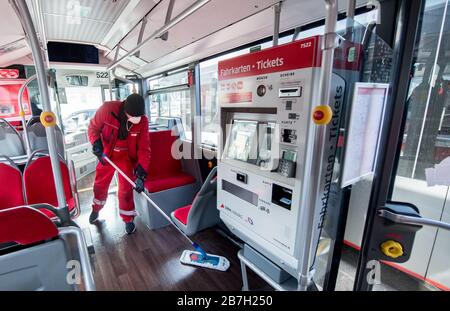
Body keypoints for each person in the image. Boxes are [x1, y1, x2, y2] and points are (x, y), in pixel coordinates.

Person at [87, 94, 150, 234]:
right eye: (132, 116)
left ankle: (128, 220)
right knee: (100, 185)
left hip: (126, 158)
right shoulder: (107, 109)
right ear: (125, 110)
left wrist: (141, 174)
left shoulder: (143, 121)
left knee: (125, 190)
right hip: (107, 155)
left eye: (138, 116)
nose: (136, 119)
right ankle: (96, 209)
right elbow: (93, 128)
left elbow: (144, 148)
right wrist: (96, 143)